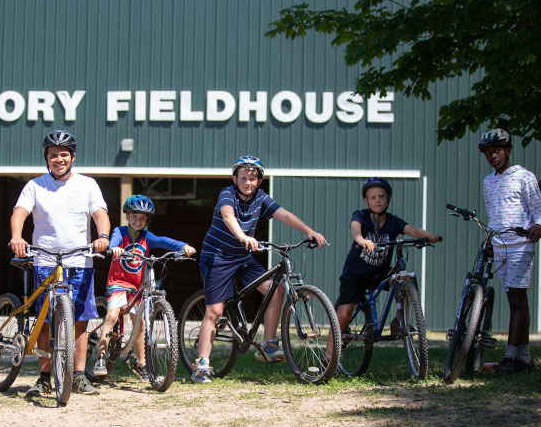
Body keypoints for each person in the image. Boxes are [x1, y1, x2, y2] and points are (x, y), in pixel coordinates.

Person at [192, 155, 328, 383]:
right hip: (218, 257)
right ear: (235, 178)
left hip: (243, 257)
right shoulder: (227, 194)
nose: (248, 183)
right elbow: (228, 216)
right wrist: (242, 235)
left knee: (276, 290)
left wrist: (308, 230)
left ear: (259, 182)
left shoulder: (260, 198)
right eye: (243, 178)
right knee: (215, 312)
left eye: (252, 179)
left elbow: (283, 214)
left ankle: (269, 343)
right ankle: (202, 365)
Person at [9, 129, 110, 396]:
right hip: (45, 260)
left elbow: (100, 213)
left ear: (72, 157)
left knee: (79, 322)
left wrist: (103, 236)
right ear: (47, 158)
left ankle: (77, 376)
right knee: (43, 322)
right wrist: (17, 236)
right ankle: (44, 377)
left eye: (63, 154)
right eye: (53, 155)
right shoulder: (35, 185)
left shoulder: (87, 185)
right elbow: (20, 212)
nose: (58, 159)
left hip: (80, 260)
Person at [93, 194, 196, 380]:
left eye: (142, 218)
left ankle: (142, 364)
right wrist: (115, 248)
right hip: (118, 282)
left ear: (147, 220)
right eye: (134, 217)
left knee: (139, 322)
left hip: (136, 286)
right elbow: (113, 241)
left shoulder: (147, 237)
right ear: (128, 217)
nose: (138, 221)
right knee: (112, 315)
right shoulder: (120, 232)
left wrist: (184, 246)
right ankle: (100, 357)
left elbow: (165, 241)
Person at [335, 178, 440, 340]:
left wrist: (428, 236)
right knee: (343, 315)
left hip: (380, 272)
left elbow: (413, 230)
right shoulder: (361, 215)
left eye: (381, 196)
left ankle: (399, 321)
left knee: (406, 278)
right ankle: (328, 357)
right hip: (356, 273)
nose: (378, 200)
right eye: (373, 197)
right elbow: (355, 228)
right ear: (366, 201)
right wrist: (361, 240)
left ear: (388, 199)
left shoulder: (393, 221)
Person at [479, 128, 541, 374]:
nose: (493, 156)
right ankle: (524, 358)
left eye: (497, 151)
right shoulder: (488, 182)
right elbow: (493, 215)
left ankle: (510, 355)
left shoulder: (524, 177)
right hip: (499, 244)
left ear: (508, 151)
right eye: (488, 152)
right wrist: (489, 238)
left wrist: (537, 226)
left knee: (517, 298)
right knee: (514, 299)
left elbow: (537, 208)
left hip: (520, 242)